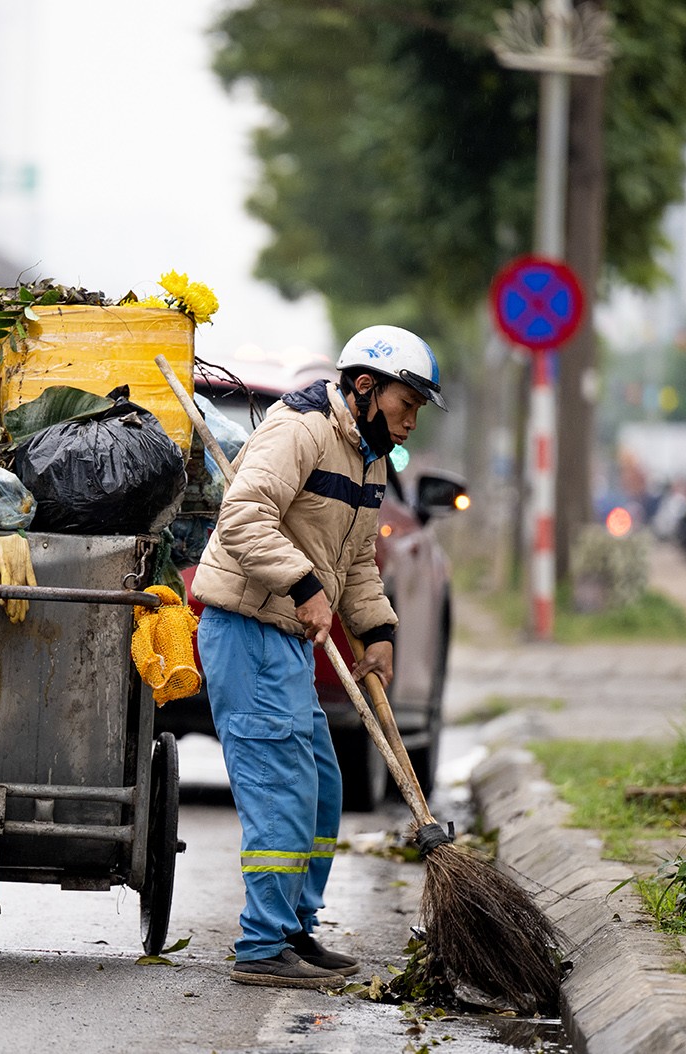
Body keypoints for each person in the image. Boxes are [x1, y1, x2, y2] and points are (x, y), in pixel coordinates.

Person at [191, 324, 447, 988]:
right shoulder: (300, 431)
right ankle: (260, 946)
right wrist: (303, 584)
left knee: (324, 789)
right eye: (406, 403)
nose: (412, 420)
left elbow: (357, 560)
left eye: (419, 408)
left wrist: (379, 631)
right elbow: (243, 515)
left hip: (288, 644)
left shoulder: (369, 456)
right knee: (282, 788)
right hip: (247, 631)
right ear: (365, 387)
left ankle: (292, 926)